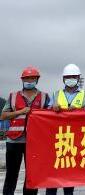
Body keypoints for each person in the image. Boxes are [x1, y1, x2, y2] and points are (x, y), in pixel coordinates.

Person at [1, 67, 50, 195]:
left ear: (37, 80)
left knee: (32, 175)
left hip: (34, 142)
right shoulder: (13, 96)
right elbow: (3, 116)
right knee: (11, 174)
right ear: (22, 80)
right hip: (14, 141)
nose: (29, 81)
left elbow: (51, 114)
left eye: (32, 78)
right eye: (27, 78)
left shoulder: (44, 97)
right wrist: (21, 111)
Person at [46, 63, 85, 195]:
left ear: (78, 78)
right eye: (68, 77)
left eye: (73, 77)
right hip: (58, 139)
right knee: (53, 174)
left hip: (75, 139)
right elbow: (45, 114)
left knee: (69, 175)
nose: (70, 79)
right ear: (63, 79)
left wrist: (80, 111)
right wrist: (52, 107)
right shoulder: (56, 94)